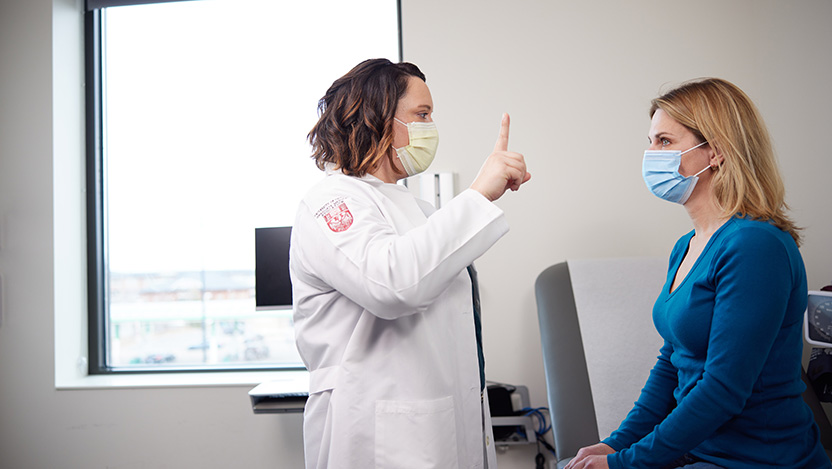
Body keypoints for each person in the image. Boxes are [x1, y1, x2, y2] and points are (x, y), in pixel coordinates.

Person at [566, 78, 831, 469]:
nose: (650, 154)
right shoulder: (687, 245)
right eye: (651, 141)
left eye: (665, 142)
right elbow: (673, 360)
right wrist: (616, 444)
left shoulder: (755, 247)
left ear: (716, 152)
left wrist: (626, 463)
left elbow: (724, 389)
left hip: (758, 460)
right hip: (701, 451)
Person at [289, 58, 531, 469]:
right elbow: (393, 285)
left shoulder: (416, 209)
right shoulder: (331, 202)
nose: (430, 126)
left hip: (436, 428)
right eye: (422, 114)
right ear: (376, 117)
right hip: (377, 435)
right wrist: (476, 196)